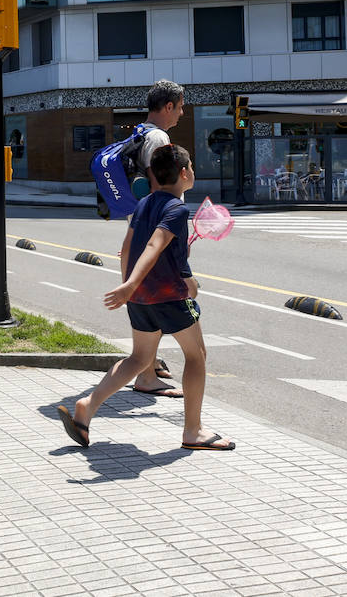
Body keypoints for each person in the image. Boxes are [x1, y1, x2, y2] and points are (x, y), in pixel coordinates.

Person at [59, 145, 235, 452]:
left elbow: (128, 246)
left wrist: (128, 286)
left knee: (139, 359)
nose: (192, 170)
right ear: (183, 173)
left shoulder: (144, 203)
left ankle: (88, 405)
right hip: (169, 296)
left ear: (153, 174)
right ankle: (193, 430)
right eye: (190, 165)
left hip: (140, 297)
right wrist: (183, 282)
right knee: (197, 356)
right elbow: (155, 245)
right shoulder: (177, 209)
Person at [123, 79, 187, 397]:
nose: (182, 113)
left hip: (140, 222)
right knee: (156, 297)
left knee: (149, 297)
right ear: (168, 107)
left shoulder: (140, 131)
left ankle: (150, 363)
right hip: (153, 225)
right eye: (181, 106)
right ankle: (146, 374)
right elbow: (159, 181)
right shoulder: (159, 137)